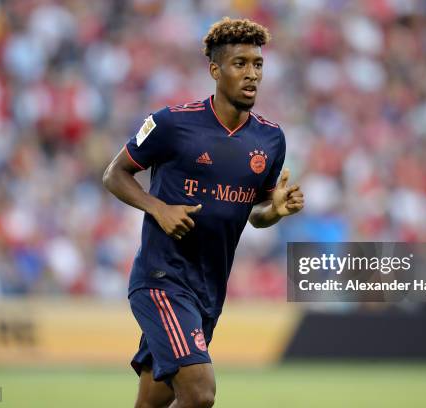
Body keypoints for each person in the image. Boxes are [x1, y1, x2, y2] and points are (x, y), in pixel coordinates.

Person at [103, 17, 304, 408]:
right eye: (240, 64)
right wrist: (158, 208)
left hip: (209, 290)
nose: (252, 75)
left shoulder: (270, 138)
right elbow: (114, 175)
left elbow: (256, 215)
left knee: (152, 402)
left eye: (258, 65)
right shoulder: (172, 123)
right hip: (162, 280)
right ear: (215, 70)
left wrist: (274, 210)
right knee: (199, 395)